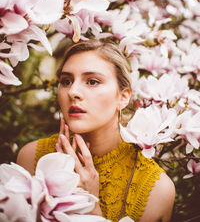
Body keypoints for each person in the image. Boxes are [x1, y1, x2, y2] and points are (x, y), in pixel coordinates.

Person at [17, 39, 175, 222]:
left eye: (92, 81)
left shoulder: (155, 189)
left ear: (123, 98)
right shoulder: (31, 157)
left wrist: (92, 209)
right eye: (66, 81)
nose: (73, 91)